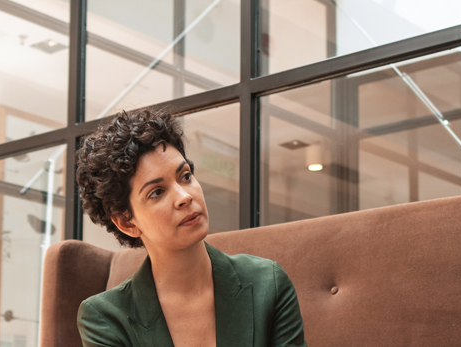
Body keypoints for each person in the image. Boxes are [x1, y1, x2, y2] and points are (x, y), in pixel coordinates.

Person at [73, 109, 307, 347]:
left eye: (185, 176)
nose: (184, 196)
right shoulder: (104, 318)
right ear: (127, 222)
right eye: (157, 192)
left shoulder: (267, 284)